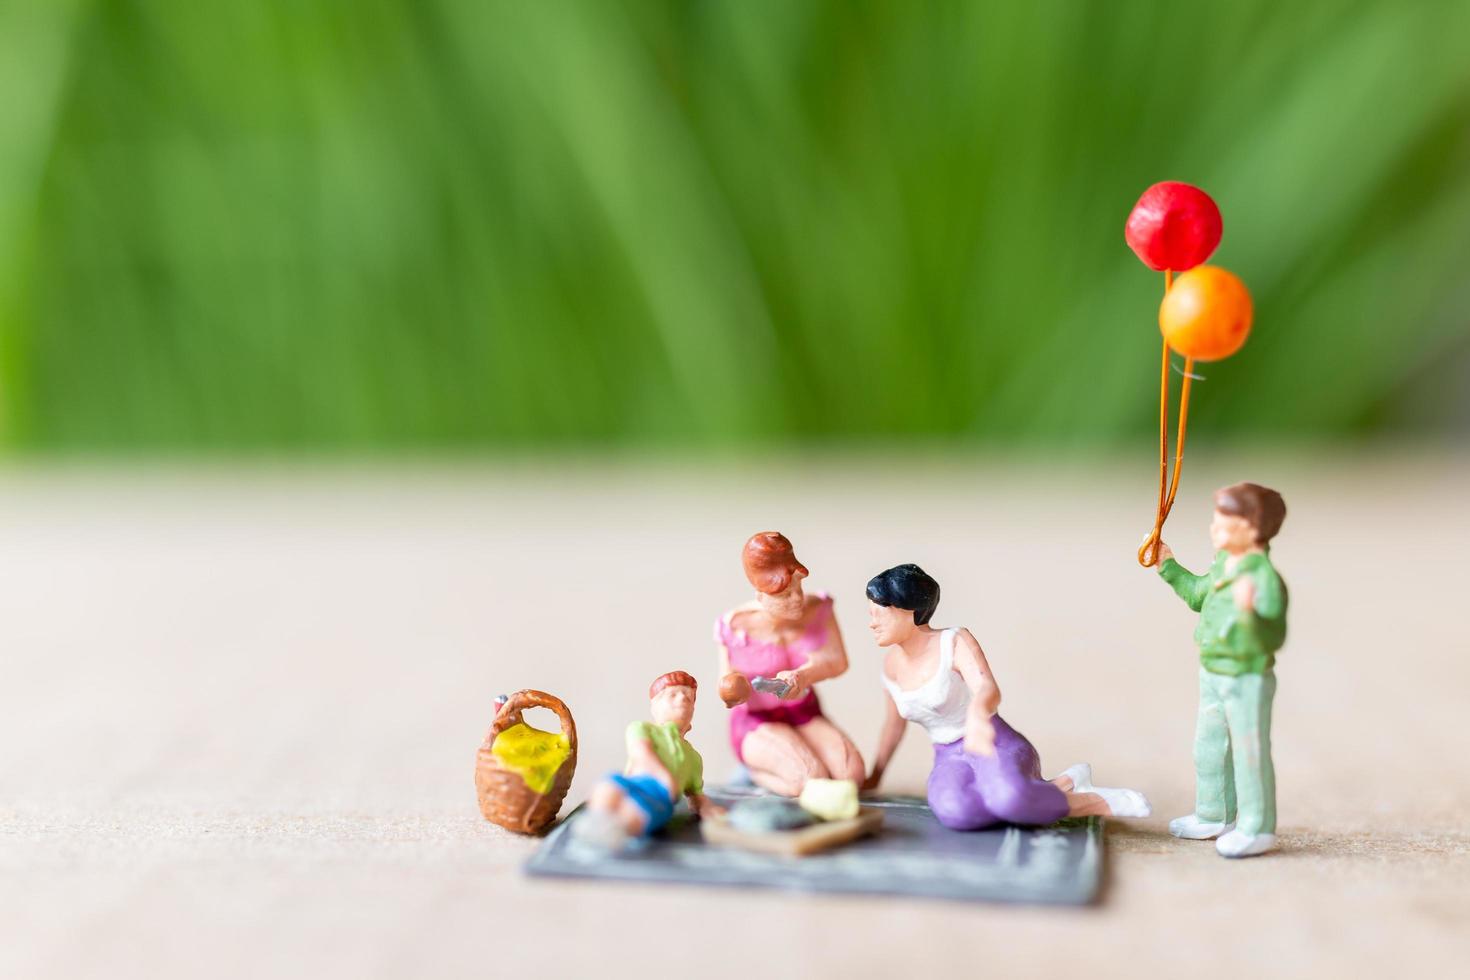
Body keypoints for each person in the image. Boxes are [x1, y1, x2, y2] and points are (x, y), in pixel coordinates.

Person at [862, 563, 1151, 830]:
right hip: (948, 755)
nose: (872, 623)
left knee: (1009, 799)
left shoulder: (953, 642)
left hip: (993, 740)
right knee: (956, 812)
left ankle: (1093, 802)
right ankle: (1061, 787)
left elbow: (987, 688)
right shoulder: (891, 666)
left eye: (880, 613)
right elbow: (892, 726)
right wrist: (876, 773)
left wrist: (976, 717)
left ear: (909, 610)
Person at [1155, 482, 1287, 858]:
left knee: (1249, 751)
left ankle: (1256, 826)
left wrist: (1252, 613)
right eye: (1216, 522)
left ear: (1253, 529)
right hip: (1212, 669)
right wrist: (1168, 566)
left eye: (1225, 524)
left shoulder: (1262, 578)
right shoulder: (1222, 564)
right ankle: (1214, 814)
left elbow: (1275, 632)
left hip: (1246, 675)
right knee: (1209, 745)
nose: (1215, 530)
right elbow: (1198, 595)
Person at [715, 532, 865, 796]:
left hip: (803, 713)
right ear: (760, 596)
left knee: (851, 774)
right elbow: (727, 683)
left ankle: (794, 756)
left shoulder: (818, 609)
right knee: (810, 778)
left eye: (798, 588)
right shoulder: (734, 626)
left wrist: (803, 676)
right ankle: (755, 772)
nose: (796, 600)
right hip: (758, 720)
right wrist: (733, 689)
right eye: (783, 595)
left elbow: (837, 661)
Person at [573, 671, 719, 848]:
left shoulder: (694, 758)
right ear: (655, 706)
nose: (682, 699)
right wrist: (665, 776)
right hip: (633, 782)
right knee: (609, 786)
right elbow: (642, 753)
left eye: (688, 697)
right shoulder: (642, 728)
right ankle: (595, 820)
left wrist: (710, 811)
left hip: (658, 799)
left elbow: (696, 796)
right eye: (672, 695)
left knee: (635, 813)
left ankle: (614, 832)